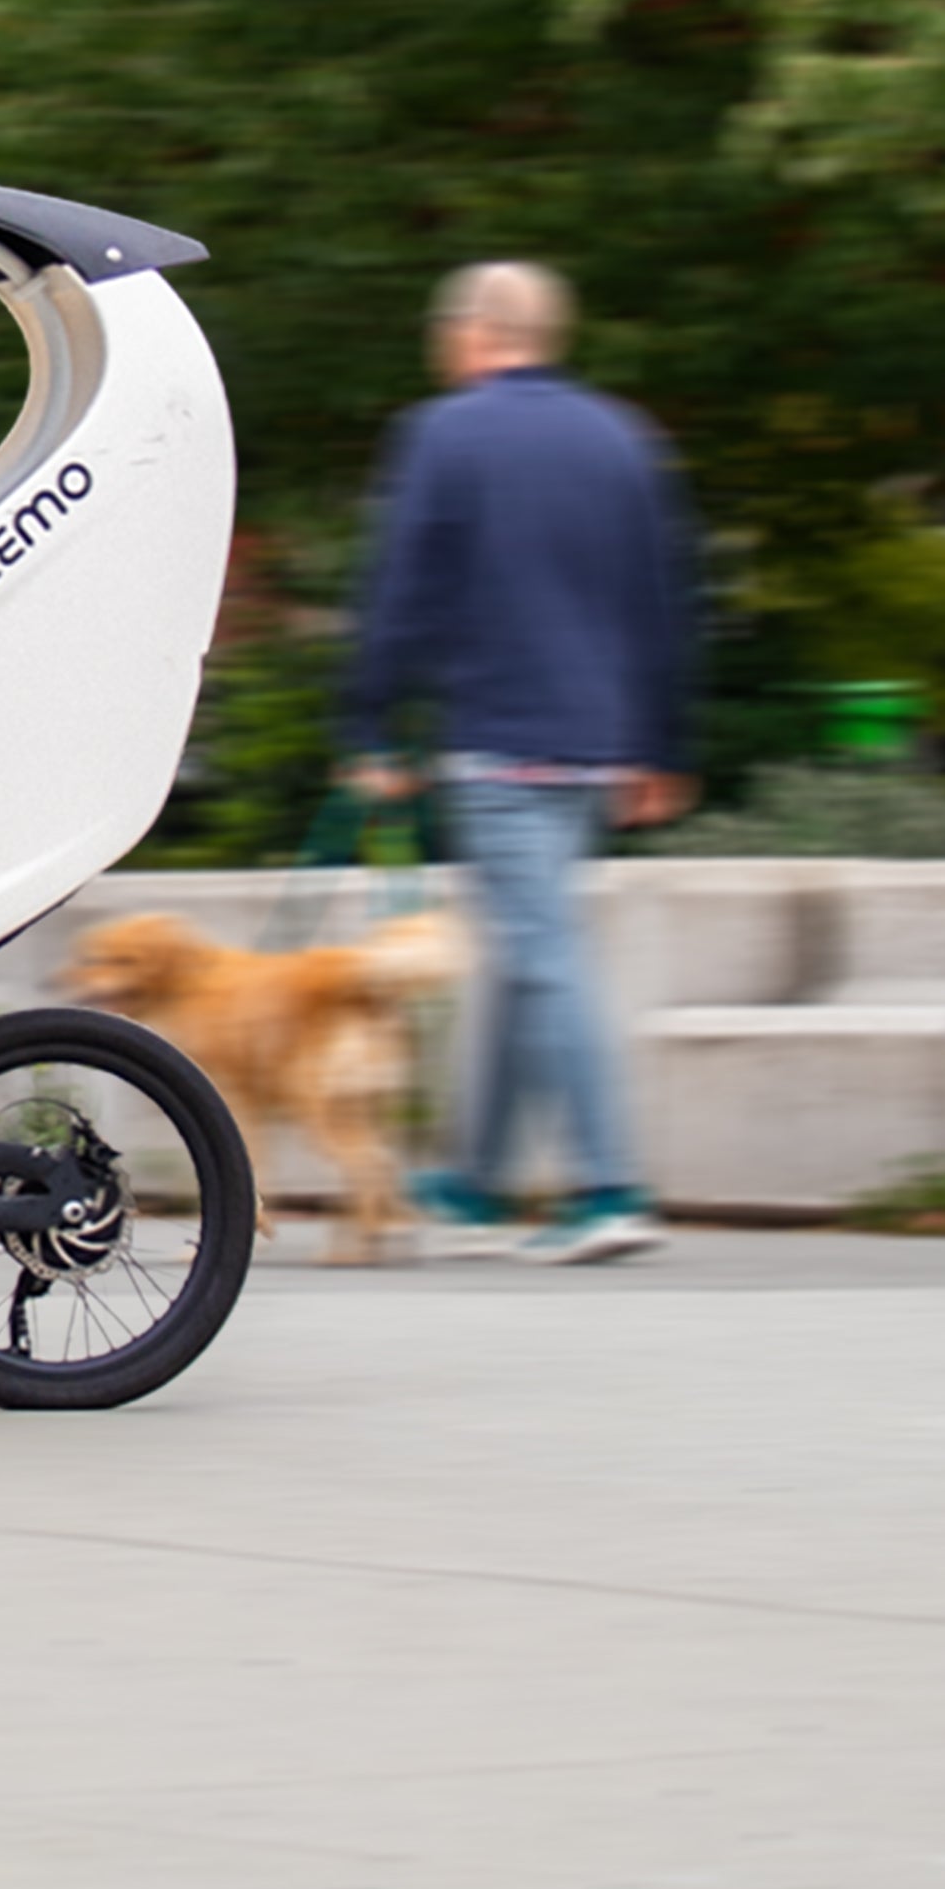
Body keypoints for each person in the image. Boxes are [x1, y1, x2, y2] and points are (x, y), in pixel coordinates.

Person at [336, 262, 699, 1264]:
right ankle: (475, 1182)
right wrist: (662, 745)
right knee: (525, 952)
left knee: (543, 957)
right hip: (595, 745)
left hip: (502, 742)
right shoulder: (620, 435)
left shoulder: (444, 433)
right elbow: (663, 601)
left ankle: (609, 1186)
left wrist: (369, 723)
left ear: (472, 332)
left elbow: (401, 589)